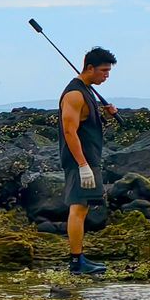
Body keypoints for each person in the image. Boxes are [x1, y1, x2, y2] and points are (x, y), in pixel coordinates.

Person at [60, 48, 118, 276]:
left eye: (108, 71)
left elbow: (86, 124)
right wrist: (82, 165)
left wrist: (105, 115)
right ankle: (76, 262)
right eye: (103, 71)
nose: (106, 75)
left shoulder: (87, 92)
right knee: (78, 207)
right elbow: (69, 131)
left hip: (89, 157)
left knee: (82, 207)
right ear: (90, 68)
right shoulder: (75, 94)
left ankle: (79, 258)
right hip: (79, 160)